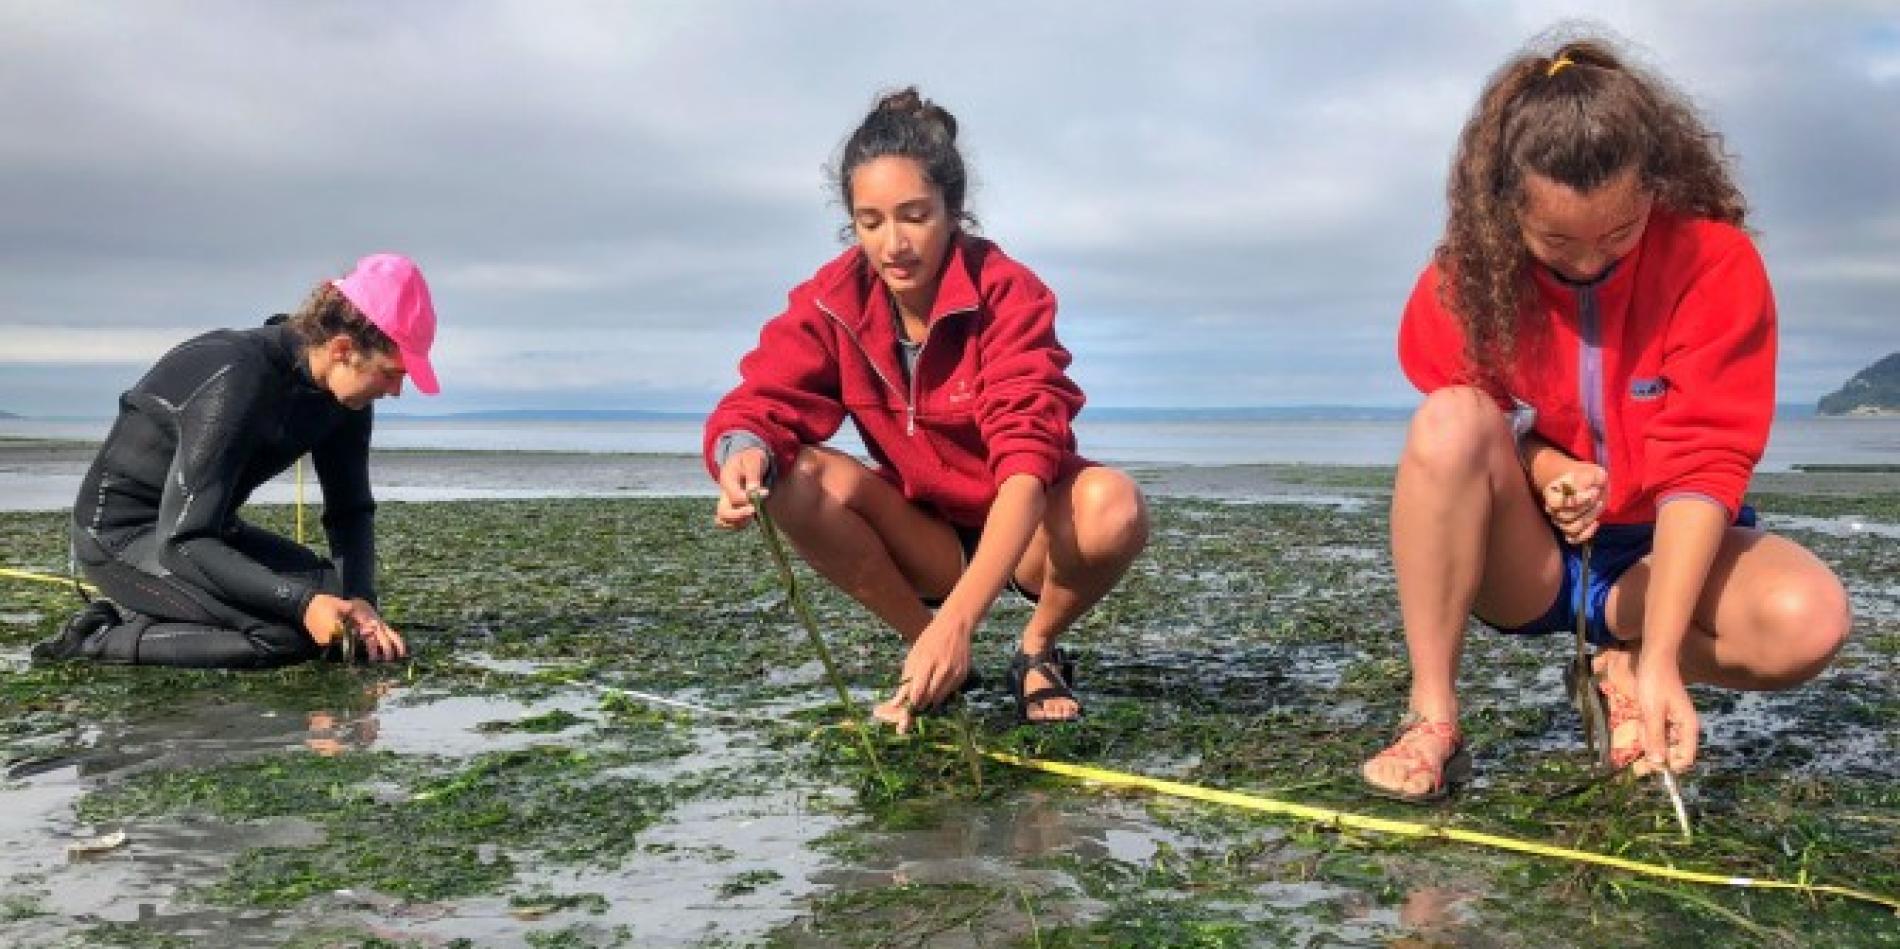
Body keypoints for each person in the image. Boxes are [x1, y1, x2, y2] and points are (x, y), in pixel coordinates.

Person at [1360, 36, 1851, 802]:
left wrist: (1660, 656)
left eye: (1618, 235)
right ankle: (1432, 716)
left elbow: (1703, 463)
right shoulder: (1468, 275)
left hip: (1659, 558)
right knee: (1450, 416)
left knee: (1809, 620)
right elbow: (1484, 425)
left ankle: (1619, 663)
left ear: (1655, 185)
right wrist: (1549, 468)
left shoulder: (1714, 263)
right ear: (1505, 207)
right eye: (1557, 241)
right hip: (1531, 563)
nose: (1589, 263)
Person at [704, 88, 1149, 732]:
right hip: (928, 534)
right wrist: (742, 449)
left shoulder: (1009, 294)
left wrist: (962, 622)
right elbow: (764, 398)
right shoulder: (833, 299)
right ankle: (932, 655)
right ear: (852, 221)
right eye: (871, 221)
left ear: (953, 211)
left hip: (1026, 532)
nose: (894, 244)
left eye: (914, 215)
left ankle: (1035, 650)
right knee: (792, 477)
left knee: (1115, 505)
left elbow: (1027, 466)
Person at [32, 254, 442, 669]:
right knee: (284, 635)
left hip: (207, 532)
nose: (396, 391)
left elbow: (350, 510)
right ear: (342, 349)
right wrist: (300, 605)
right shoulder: (237, 379)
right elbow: (182, 540)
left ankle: (171, 612)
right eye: (393, 373)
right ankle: (94, 639)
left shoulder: (345, 398)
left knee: (334, 601)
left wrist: (360, 600)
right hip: (125, 537)